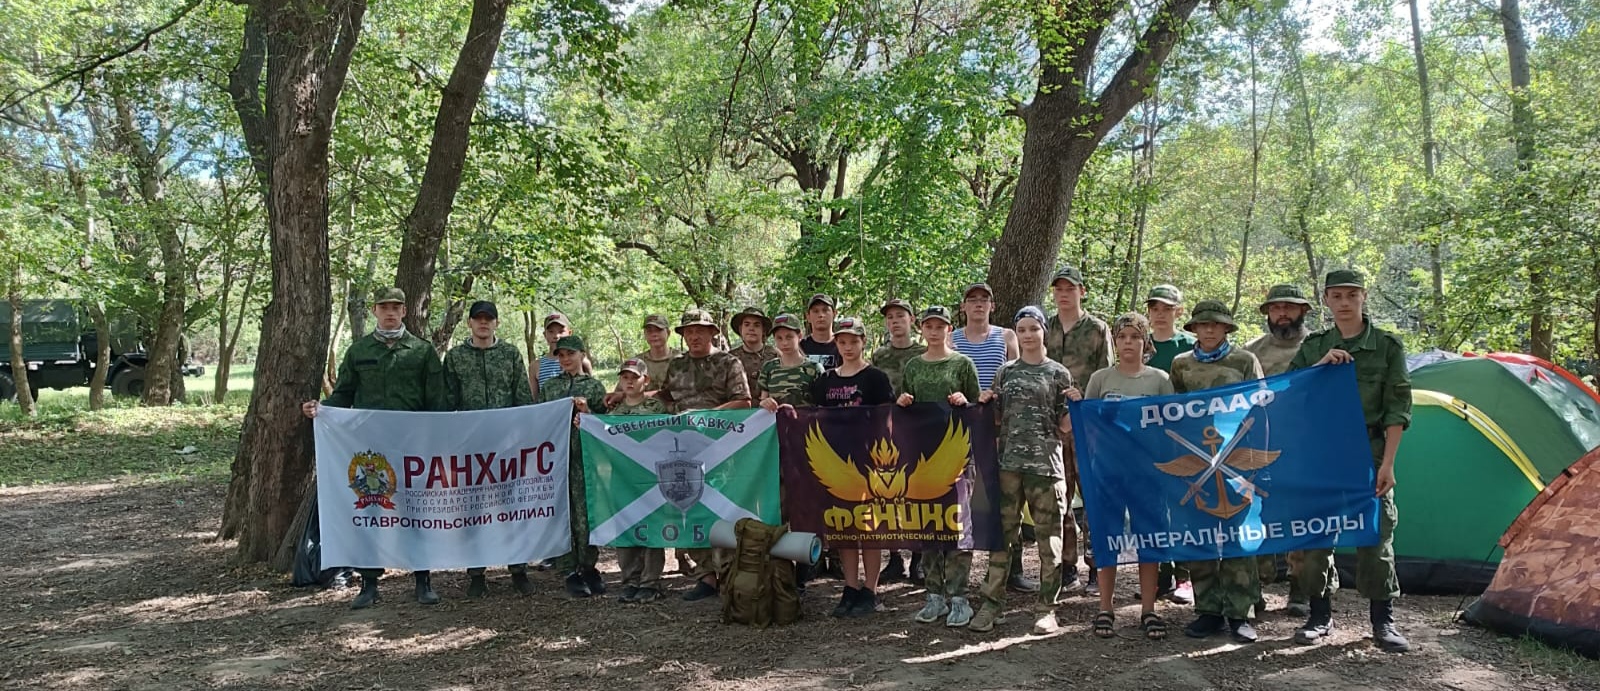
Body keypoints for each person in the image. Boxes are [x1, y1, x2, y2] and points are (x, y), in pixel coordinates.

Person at [301, 287, 447, 609]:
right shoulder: (359, 351)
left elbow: (437, 401)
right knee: (371, 511)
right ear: (374, 311)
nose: (390, 312)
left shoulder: (421, 352)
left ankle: (423, 579)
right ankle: (369, 583)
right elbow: (344, 395)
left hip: (412, 447)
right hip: (371, 450)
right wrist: (321, 409)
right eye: (384, 307)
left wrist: (436, 439)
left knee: (416, 511)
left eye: (396, 307)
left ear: (405, 311)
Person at [1289, 269, 1411, 653]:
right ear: (1326, 300)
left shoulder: (1388, 347)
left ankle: (1382, 619)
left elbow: (1397, 410)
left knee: (1375, 540)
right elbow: (1290, 394)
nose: (1344, 302)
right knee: (1316, 538)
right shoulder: (1314, 347)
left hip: (1370, 455)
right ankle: (1319, 615)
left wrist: (1388, 464)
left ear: (1363, 297)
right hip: (1322, 456)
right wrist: (1319, 367)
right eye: (1337, 295)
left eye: (1351, 295)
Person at [1168, 300, 1266, 644]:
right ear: (1194, 329)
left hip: (1237, 460)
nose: (1209, 330)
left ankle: (1241, 613)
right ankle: (1208, 610)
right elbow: (1171, 413)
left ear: (1226, 328)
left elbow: (1262, 407)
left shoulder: (1244, 360)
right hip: (1197, 464)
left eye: (1216, 325)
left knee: (1240, 539)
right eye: (1203, 325)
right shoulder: (1181, 365)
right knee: (1202, 538)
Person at [969, 306, 1072, 635]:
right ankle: (992, 604)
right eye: (1022, 329)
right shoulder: (1006, 372)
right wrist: (985, 404)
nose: (1028, 335)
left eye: (1034, 328)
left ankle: (1047, 608)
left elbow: (1065, 426)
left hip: (1046, 468)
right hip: (1008, 466)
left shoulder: (1059, 374)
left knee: (1048, 542)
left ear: (1044, 331)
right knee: (1003, 539)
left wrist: (1077, 403)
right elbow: (997, 421)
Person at [1081, 312, 1175, 640]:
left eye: (1135, 337)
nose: (1128, 343)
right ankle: (1105, 608)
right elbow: (1086, 425)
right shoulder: (1101, 379)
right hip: (1107, 471)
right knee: (1108, 538)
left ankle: (1149, 609)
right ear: (1115, 342)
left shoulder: (1160, 379)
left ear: (1145, 341)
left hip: (1148, 474)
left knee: (1148, 539)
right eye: (1122, 337)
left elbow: (1171, 424)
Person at [655, 309, 753, 601]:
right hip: (683, 450)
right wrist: (624, 398)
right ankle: (706, 575)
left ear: (712, 333)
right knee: (688, 506)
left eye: (700, 330)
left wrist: (705, 415)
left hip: (722, 448)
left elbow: (743, 401)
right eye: (688, 331)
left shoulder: (728, 362)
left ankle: (730, 572)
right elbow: (665, 399)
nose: (694, 336)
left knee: (721, 509)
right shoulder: (677, 366)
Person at [443, 299, 536, 598]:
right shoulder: (456, 357)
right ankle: (476, 573)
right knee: (473, 510)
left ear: (496, 323)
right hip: (470, 448)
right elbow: (448, 401)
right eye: (478, 318)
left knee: (512, 507)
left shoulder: (510, 354)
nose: (483, 323)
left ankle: (518, 569)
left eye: (489, 319)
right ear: (469, 323)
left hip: (506, 448)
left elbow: (522, 397)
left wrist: (525, 437)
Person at [897, 305, 982, 628]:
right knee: (929, 524)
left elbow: (978, 412)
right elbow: (903, 411)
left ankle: (960, 597)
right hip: (922, 461)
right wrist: (902, 403)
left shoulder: (963, 363)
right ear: (922, 329)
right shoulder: (914, 366)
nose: (934, 331)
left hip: (958, 458)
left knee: (958, 526)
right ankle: (934, 595)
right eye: (929, 326)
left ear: (949, 329)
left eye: (940, 326)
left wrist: (965, 402)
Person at [805, 316, 896, 617]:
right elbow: (814, 418)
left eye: (853, 341)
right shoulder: (825, 380)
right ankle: (849, 586)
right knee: (844, 527)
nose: (847, 347)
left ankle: (870, 589)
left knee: (870, 528)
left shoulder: (876, 378)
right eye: (842, 342)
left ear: (863, 343)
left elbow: (887, 422)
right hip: (836, 465)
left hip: (868, 464)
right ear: (837, 344)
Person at [1242, 284, 1320, 617]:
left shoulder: (1320, 347)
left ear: (1303, 310)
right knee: (1256, 516)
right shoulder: (1252, 352)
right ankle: (1255, 588)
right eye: (1276, 308)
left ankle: (1300, 591)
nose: (1282, 314)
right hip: (1261, 446)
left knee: (1301, 520)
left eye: (1289, 307)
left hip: (1306, 448)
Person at [1042, 265, 1112, 596]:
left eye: (1070, 288)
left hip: (1088, 425)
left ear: (1081, 291)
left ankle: (1098, 566)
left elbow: (1106, 376)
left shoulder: (1097, 328)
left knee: (1094, 496)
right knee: (1060, 497)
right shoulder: (1045, 328)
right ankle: (1066, 564)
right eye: (1058, 289)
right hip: (1053, 425)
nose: (1063, 294)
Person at [537, 334, 610, 598]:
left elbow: (605, 425)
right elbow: (538, 421)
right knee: (563, 514)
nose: (566, 359)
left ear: (582, 355)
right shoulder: (550, 388)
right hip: (557, 461)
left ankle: (589, 566)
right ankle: (568, 569)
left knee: (586, 514)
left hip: (585, 460)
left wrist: (587, 412)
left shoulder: (594, 387)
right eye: (561, 355)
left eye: (571, 354)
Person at [872, 298, 927, 584]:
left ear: (911, 320)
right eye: (890, 317)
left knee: (915, 493)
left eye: (900, 316)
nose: (895, 321)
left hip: (917, 430)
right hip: (886, 433)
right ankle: (894, 558)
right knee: (888, 495)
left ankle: (918, 559)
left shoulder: (923, 352)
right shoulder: (880, 355)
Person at [610, 358, 671, 604]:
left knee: (652, 525)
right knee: (625, 526)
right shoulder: (614, 413)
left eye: (634, 377)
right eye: (624, 377)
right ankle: (630, 580)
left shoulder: (657, 408)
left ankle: (650, 581)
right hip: (622, 478)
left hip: (651, 477)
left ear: (645, 380)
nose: (629, 382)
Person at [757, 314, 823, 410]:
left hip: (806, 423)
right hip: (776, 423)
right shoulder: (769, 368)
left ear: (800, 336)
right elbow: (762, 401)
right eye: (779, 338)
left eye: (789, 337)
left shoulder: (814, 368)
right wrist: (764, 403)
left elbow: (823, 407)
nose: (784, 343)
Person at [1144, 284, 1196, 372]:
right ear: (1149, 311)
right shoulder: (1141, 343)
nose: (1160, 315)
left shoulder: (1191, 345)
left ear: (1179, 311)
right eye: (1155, 309)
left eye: (1167, 309)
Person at [731, 307, 778, 398]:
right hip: (740, 410)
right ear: (741, 329)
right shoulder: (731, 358)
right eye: (747, 325)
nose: (751, 328)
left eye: (756, 325)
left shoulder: (776, 355)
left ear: (763, 330)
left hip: (770, 409)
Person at [800, 294, 842, 370]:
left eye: (825, 310)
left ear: (834, 314)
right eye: (815, 311)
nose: (821, 315)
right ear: (808, 316)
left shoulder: (843, 345)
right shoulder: (800, 347)